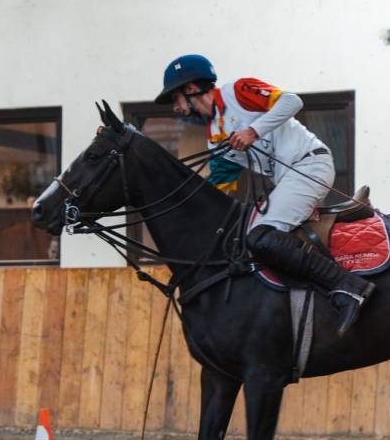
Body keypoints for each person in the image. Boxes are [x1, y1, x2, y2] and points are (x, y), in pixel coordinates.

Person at [155, 54, 374, 335]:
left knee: (260, 236)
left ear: (192, 88)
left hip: (310, 164)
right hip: (288, 181)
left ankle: (349, 287)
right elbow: (219, 185)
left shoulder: (238, 91)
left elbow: (292, 101)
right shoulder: (214, 133)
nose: (176, 109)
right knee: (248, 235)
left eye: (175, 99)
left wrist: (253, 131)